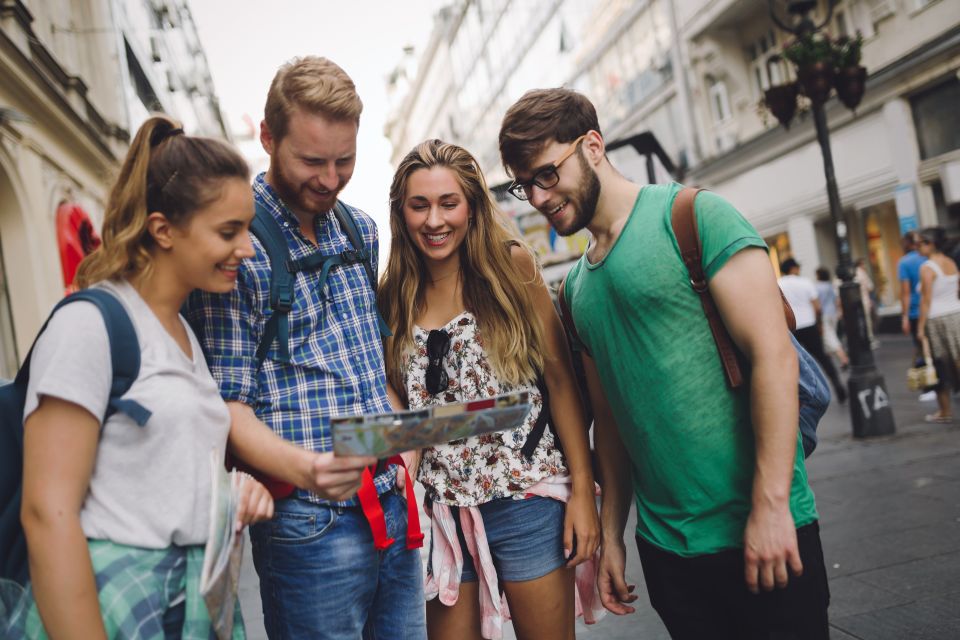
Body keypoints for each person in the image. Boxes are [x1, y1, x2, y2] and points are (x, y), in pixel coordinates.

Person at [499, 88, 829, 639]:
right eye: (524, 184)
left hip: (764, 525)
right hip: (670, 552)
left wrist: (771, 506)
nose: (537, 196)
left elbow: (774, 358)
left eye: (547, 174)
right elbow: (612, 424)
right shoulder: (576, 290)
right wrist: (612, 534)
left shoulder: (694, 217)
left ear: (594, 146)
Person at [185, 56, 425, 639]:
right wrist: (312, 471)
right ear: (267, 137)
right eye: (311, 160)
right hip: (308, 526)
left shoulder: (361, 230)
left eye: (344, 160)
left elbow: (368, 367)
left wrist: (408, 444)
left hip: (391, 505)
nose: (329, 177)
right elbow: (228, 408)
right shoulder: (236, 248)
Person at [11, 116, 276, 638]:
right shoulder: (88, 325)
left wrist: (228, 493)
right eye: (229, 231)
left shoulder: (181, 331)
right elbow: (46, 513)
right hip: (117, 608)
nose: (247, 249)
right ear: (162, 230)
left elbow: (146, 474)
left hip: (191, 606)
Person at [378, 139, 601, 640]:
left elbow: (561, 381)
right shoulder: (392, 293)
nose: (434, 220)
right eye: (420, 205)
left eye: (448, 203)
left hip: (526, 496)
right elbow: (400, 407)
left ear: (472, 206)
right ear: (401, 211)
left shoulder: (510, 264)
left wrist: (583, 492)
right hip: (441, 513)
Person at [779, 258, 846, 403]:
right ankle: (838, 386)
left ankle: (799, 399)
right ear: (794, 268)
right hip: (809, 325)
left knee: (793, 362)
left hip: (791, 329)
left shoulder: (779, 284)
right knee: (823, 358)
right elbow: (817, 307)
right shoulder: (806, 282)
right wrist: (819, 325)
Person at [916, 227, 960, 424]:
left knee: (940, 366)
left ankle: (944, 410)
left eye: (919, 243)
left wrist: (920, 327)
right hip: (956, 315)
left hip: (937, 319)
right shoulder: (950, 262)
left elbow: (926, 300)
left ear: (930, 244)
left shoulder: (927, 267)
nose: (917, 247)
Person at [815, 266, 849, 369]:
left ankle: (843, 358)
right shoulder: (830, 286)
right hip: (833, 314)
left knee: (829, 337)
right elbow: (837, 301)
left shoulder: (817, 287)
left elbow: (818, 304)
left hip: (824, 315)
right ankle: (830, 362)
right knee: (830, 336)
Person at [854, 258, 879, 349]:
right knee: (867, 322)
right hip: (864, 301)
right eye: (863, 264)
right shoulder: (862, 273)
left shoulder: (853, 273)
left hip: (855, 304)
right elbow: (870, 287)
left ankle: (862, 341)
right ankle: (869, 340)